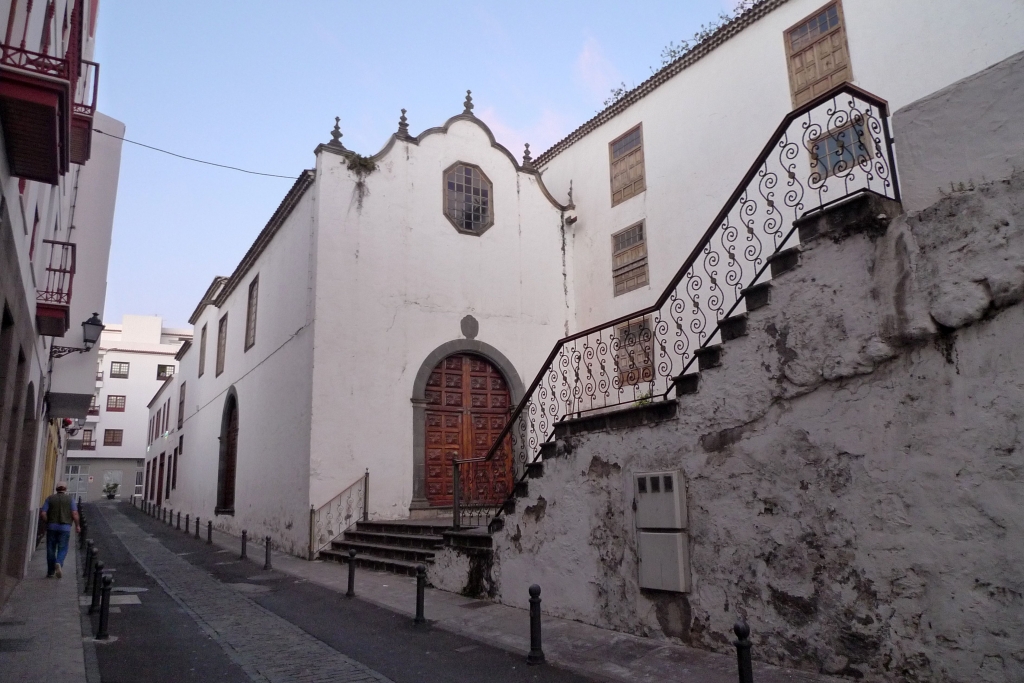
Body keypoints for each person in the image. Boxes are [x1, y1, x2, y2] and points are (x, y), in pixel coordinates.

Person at [40, 483, 80, 579]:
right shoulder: (70, 499)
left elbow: (43, 513)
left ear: (56, 488)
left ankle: (50, 572)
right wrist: (77, 525)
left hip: (52, 527)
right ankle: (59, 562)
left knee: (51, 549)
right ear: (65, 489)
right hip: (65, 528)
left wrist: (48, 521)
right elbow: (74, 513)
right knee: (63, 548)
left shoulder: (50, 498)